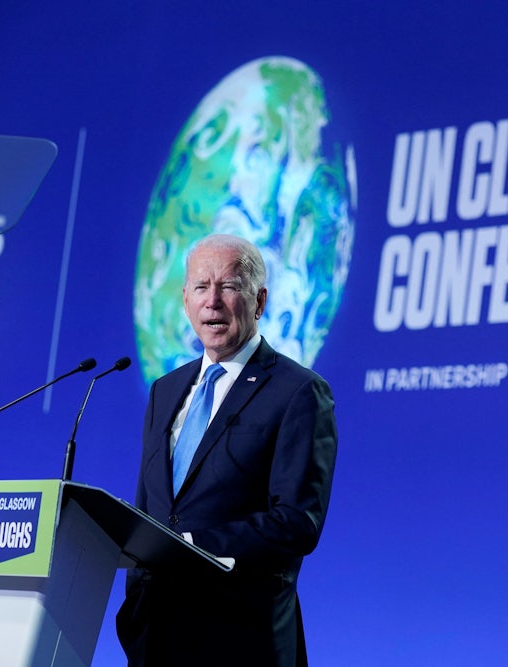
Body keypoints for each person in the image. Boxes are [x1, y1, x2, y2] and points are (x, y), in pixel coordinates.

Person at [116, 234, 337, 667]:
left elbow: (297, 522)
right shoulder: (167, 390)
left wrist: (191, 546)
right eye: (201, 287)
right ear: (184, 300)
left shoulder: (298, 391)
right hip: (156, 638)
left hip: (240, 639)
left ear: (259, 301)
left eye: (229, 286)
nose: (212, 301)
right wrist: (137, 604)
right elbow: (151, 508)